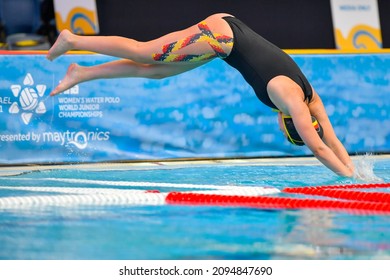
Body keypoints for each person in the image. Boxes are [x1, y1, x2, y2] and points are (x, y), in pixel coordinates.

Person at [46, 13, 355, 177]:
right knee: (145, 52)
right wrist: (349, 180)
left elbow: (331, 139)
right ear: (291, 123)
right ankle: (74, 39)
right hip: (219, 36)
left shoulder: (310, 99)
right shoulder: (287, 97)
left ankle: (82, 74)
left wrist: (356, 172)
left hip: (226, 40)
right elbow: (318, 147)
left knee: (155, 71)